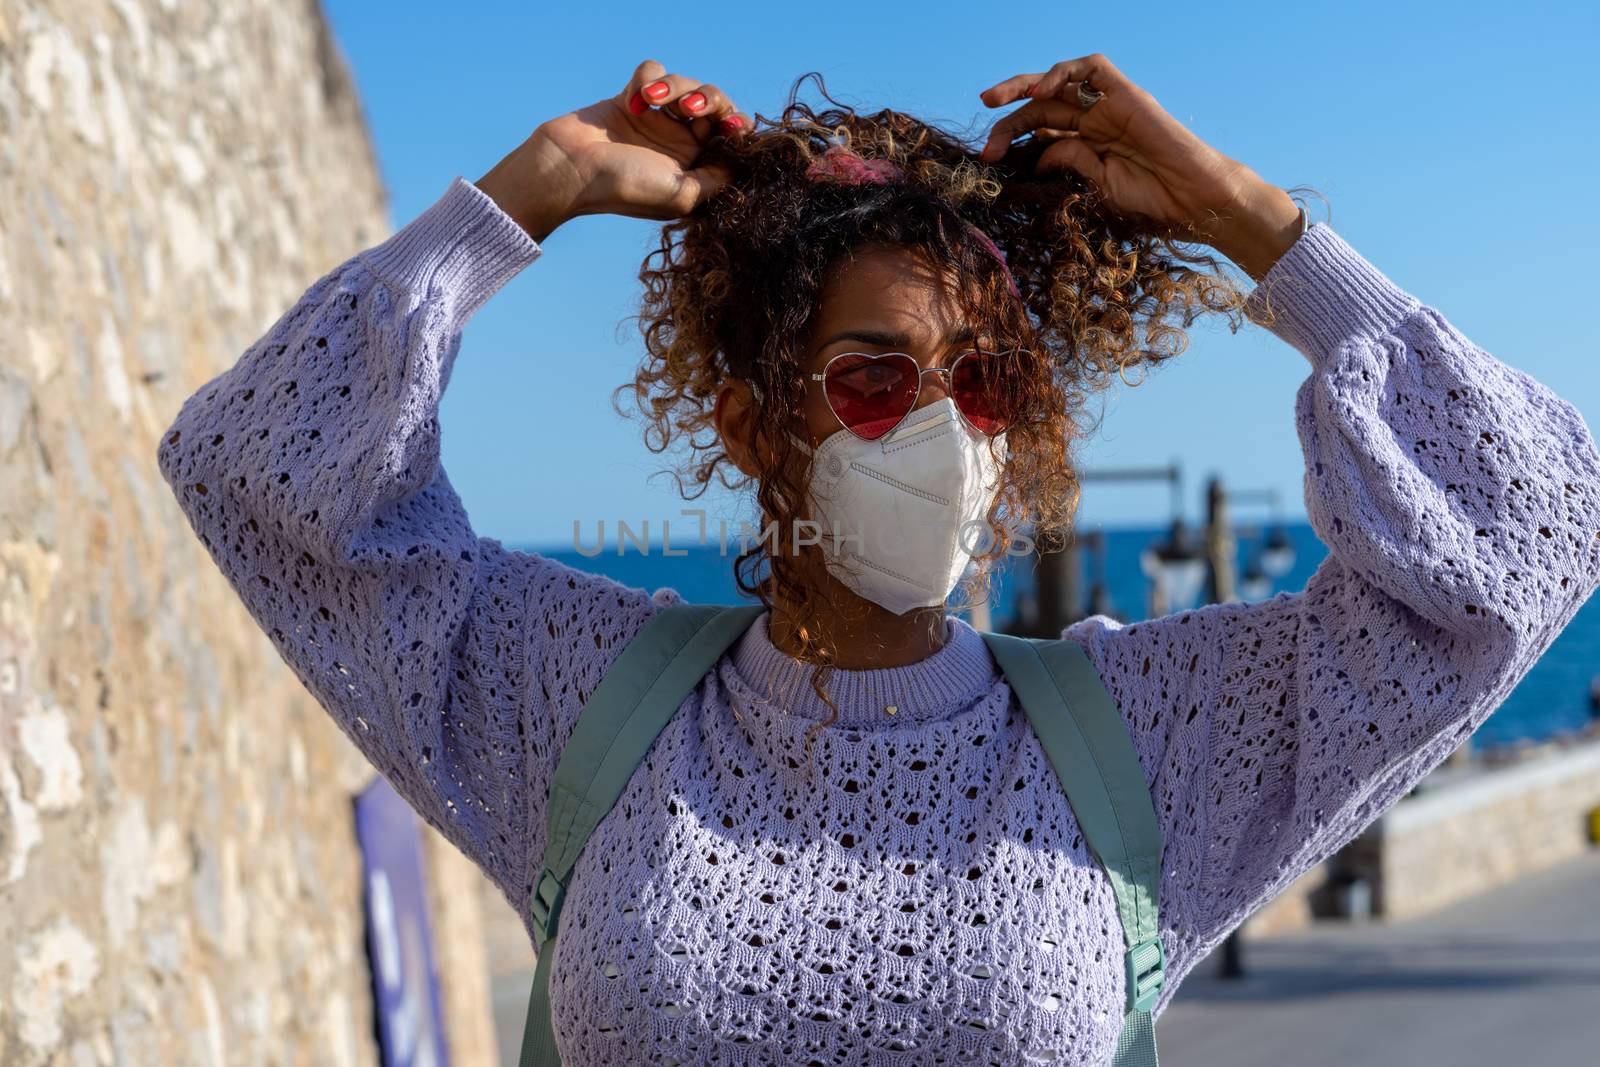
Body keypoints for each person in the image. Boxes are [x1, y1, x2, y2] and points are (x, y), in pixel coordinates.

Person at [157, 54, 1600, 1066]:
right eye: (871, 378)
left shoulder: (1150, 746)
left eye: (981, 385)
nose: (941, 430)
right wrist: (525, 196)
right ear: (749, 415)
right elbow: (258, 473)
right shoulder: (581, 707)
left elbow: (1524, 536)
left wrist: (1255, 226)